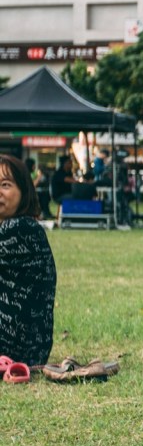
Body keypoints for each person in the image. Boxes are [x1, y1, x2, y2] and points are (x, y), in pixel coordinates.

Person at [0, 154, 57, 366]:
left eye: (5, 185)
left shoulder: (20, 229)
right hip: (31, 349)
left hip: (16, 348)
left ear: (24, 191)